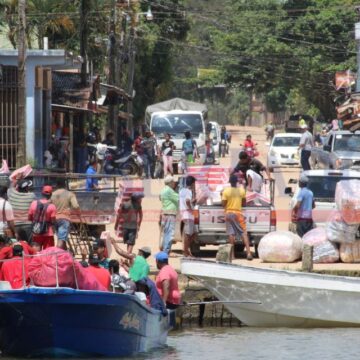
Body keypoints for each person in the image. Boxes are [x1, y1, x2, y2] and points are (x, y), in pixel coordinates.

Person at [222, 175, 252, 260]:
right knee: (243, 233)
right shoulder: (241, 191)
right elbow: (244, 203)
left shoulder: (226, 191)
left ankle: (232, 256)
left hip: (228, 213)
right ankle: (249, 253)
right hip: (238, 214)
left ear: (230, 182)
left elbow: (223, 204)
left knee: (231, 234)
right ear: (236, 182)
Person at [51, 178, 80, 249]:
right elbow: (75, 206)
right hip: (64, 219)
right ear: (65, 185)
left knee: (61, 238)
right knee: (61, 239)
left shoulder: (52, 194)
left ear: (57, 185)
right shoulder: (70, 194)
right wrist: (79, 213)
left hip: (55, 219)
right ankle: (56, 254)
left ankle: (63, 255)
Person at [28, 185, 56, 250]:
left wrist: (36, 222)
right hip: (48, 233)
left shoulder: (34, 203)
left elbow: (29, 217)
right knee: (48, 252)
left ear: (42, 193)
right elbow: (53, 220)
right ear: (51, 194)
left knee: (36, 252)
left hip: (36, 232)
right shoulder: (52, 206)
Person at [159, 175, 179, 254]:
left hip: (165, 213)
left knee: (165, 233)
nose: (174, 183)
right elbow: (179, 198)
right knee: (170, 234)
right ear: (170, 182)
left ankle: (164, 251)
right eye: (173, 182)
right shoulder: (169, 190)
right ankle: (166, 252)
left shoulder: (163, 190)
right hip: (170, 214)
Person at [179, 175, 197, 257]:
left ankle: (186, 249)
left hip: (184, 214)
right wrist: (191, 208)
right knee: (188, 234)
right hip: (188, 214)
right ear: (192, 183)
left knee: (192, 233)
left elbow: (183, 200)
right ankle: (185, 251)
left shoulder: (182, 190)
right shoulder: (189, 192)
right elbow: (187, 201)